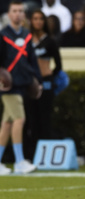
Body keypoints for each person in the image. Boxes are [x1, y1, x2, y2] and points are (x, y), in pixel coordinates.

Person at [0, 0, 42, 174]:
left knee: (7, 124)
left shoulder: (26, 35)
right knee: (19, 120)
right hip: (8, 86)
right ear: (9, 15)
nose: (17, 14)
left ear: (24, 15)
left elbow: (32, 60)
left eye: (20, 11)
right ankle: (19, 161)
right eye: (14, 11)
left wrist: (37, 80)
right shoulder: (3, 35)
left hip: (23, 84)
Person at [23, 9, 62, 160]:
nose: (38, 21)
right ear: (31, 21)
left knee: (44, 118)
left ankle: (45, 156)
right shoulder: (26, 40)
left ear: (44, 22)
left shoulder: (50, 41)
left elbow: (58, 66)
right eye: (35, 18)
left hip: (46, 83)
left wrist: (48, 76)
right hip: (29, 83)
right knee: (29, 119)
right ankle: (29, 155)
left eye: (41, 19)